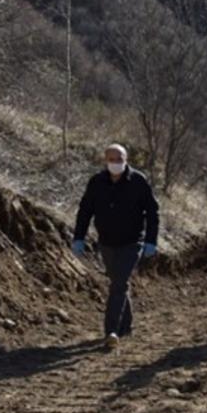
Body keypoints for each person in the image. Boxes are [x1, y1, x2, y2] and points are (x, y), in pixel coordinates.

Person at [72, 143, 159, 350]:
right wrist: (79, 237)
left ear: (126, 159)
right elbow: (85, 210)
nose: (115, 163)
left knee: (118, 284)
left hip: (132, 242)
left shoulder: (138, 181)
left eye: (119, 159)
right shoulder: (96, 182)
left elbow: (152, 212)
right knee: (118, 282)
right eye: (111, 159)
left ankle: (111, 331)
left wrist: (151, 240)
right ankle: (126, 325)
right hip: (106, 242)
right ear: (105, 161)